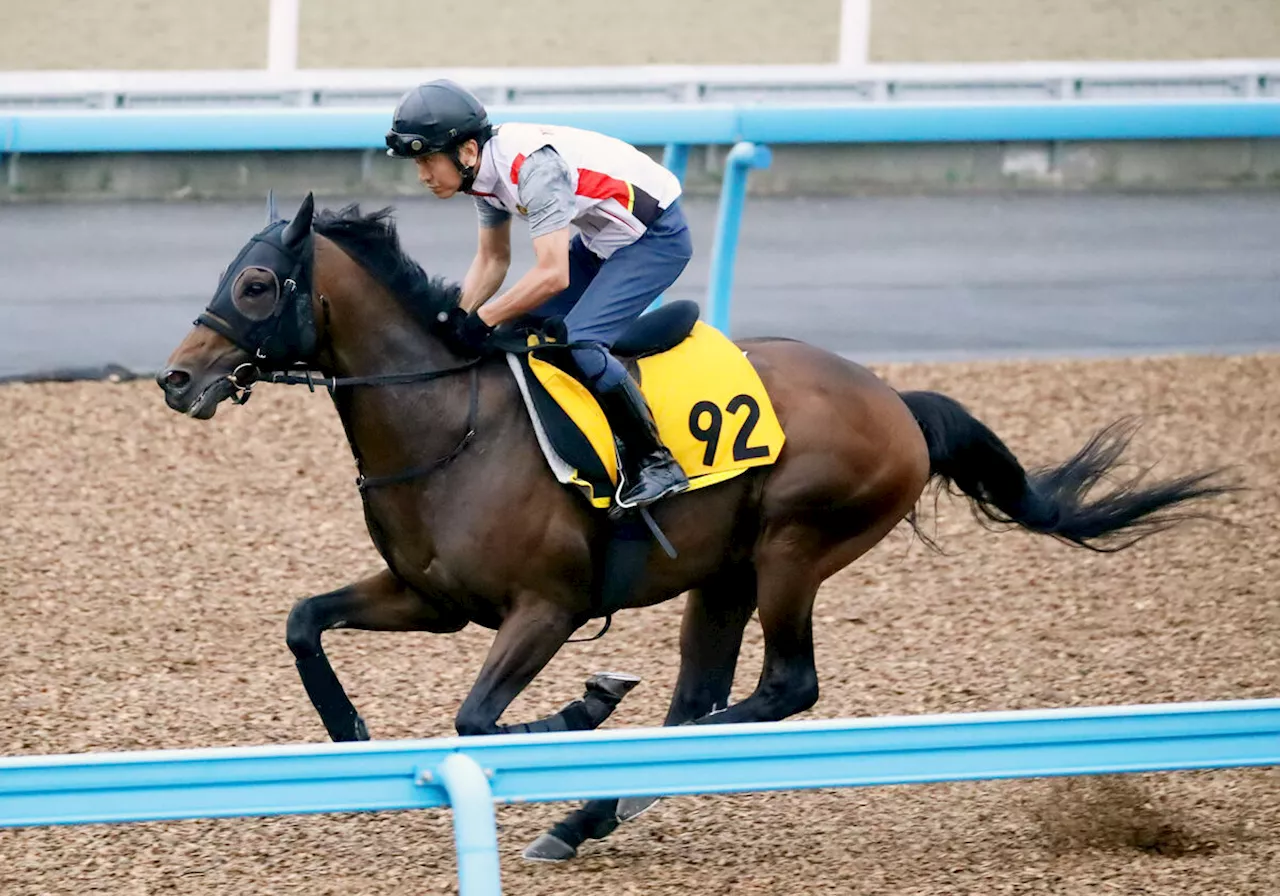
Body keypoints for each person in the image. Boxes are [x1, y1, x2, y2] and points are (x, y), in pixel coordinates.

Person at [385, 79, 692, 512]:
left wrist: (482, 319)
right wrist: (455, 318)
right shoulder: (481, 175)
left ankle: (656, 461)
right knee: (517, 330)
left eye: (429, 160)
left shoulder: (533, 171)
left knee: (582, 343)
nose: (422, 176)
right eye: (417, 163)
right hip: (604, 238)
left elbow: (552, 275)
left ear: (466, 151)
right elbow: (492, 261)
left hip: (654, 239)